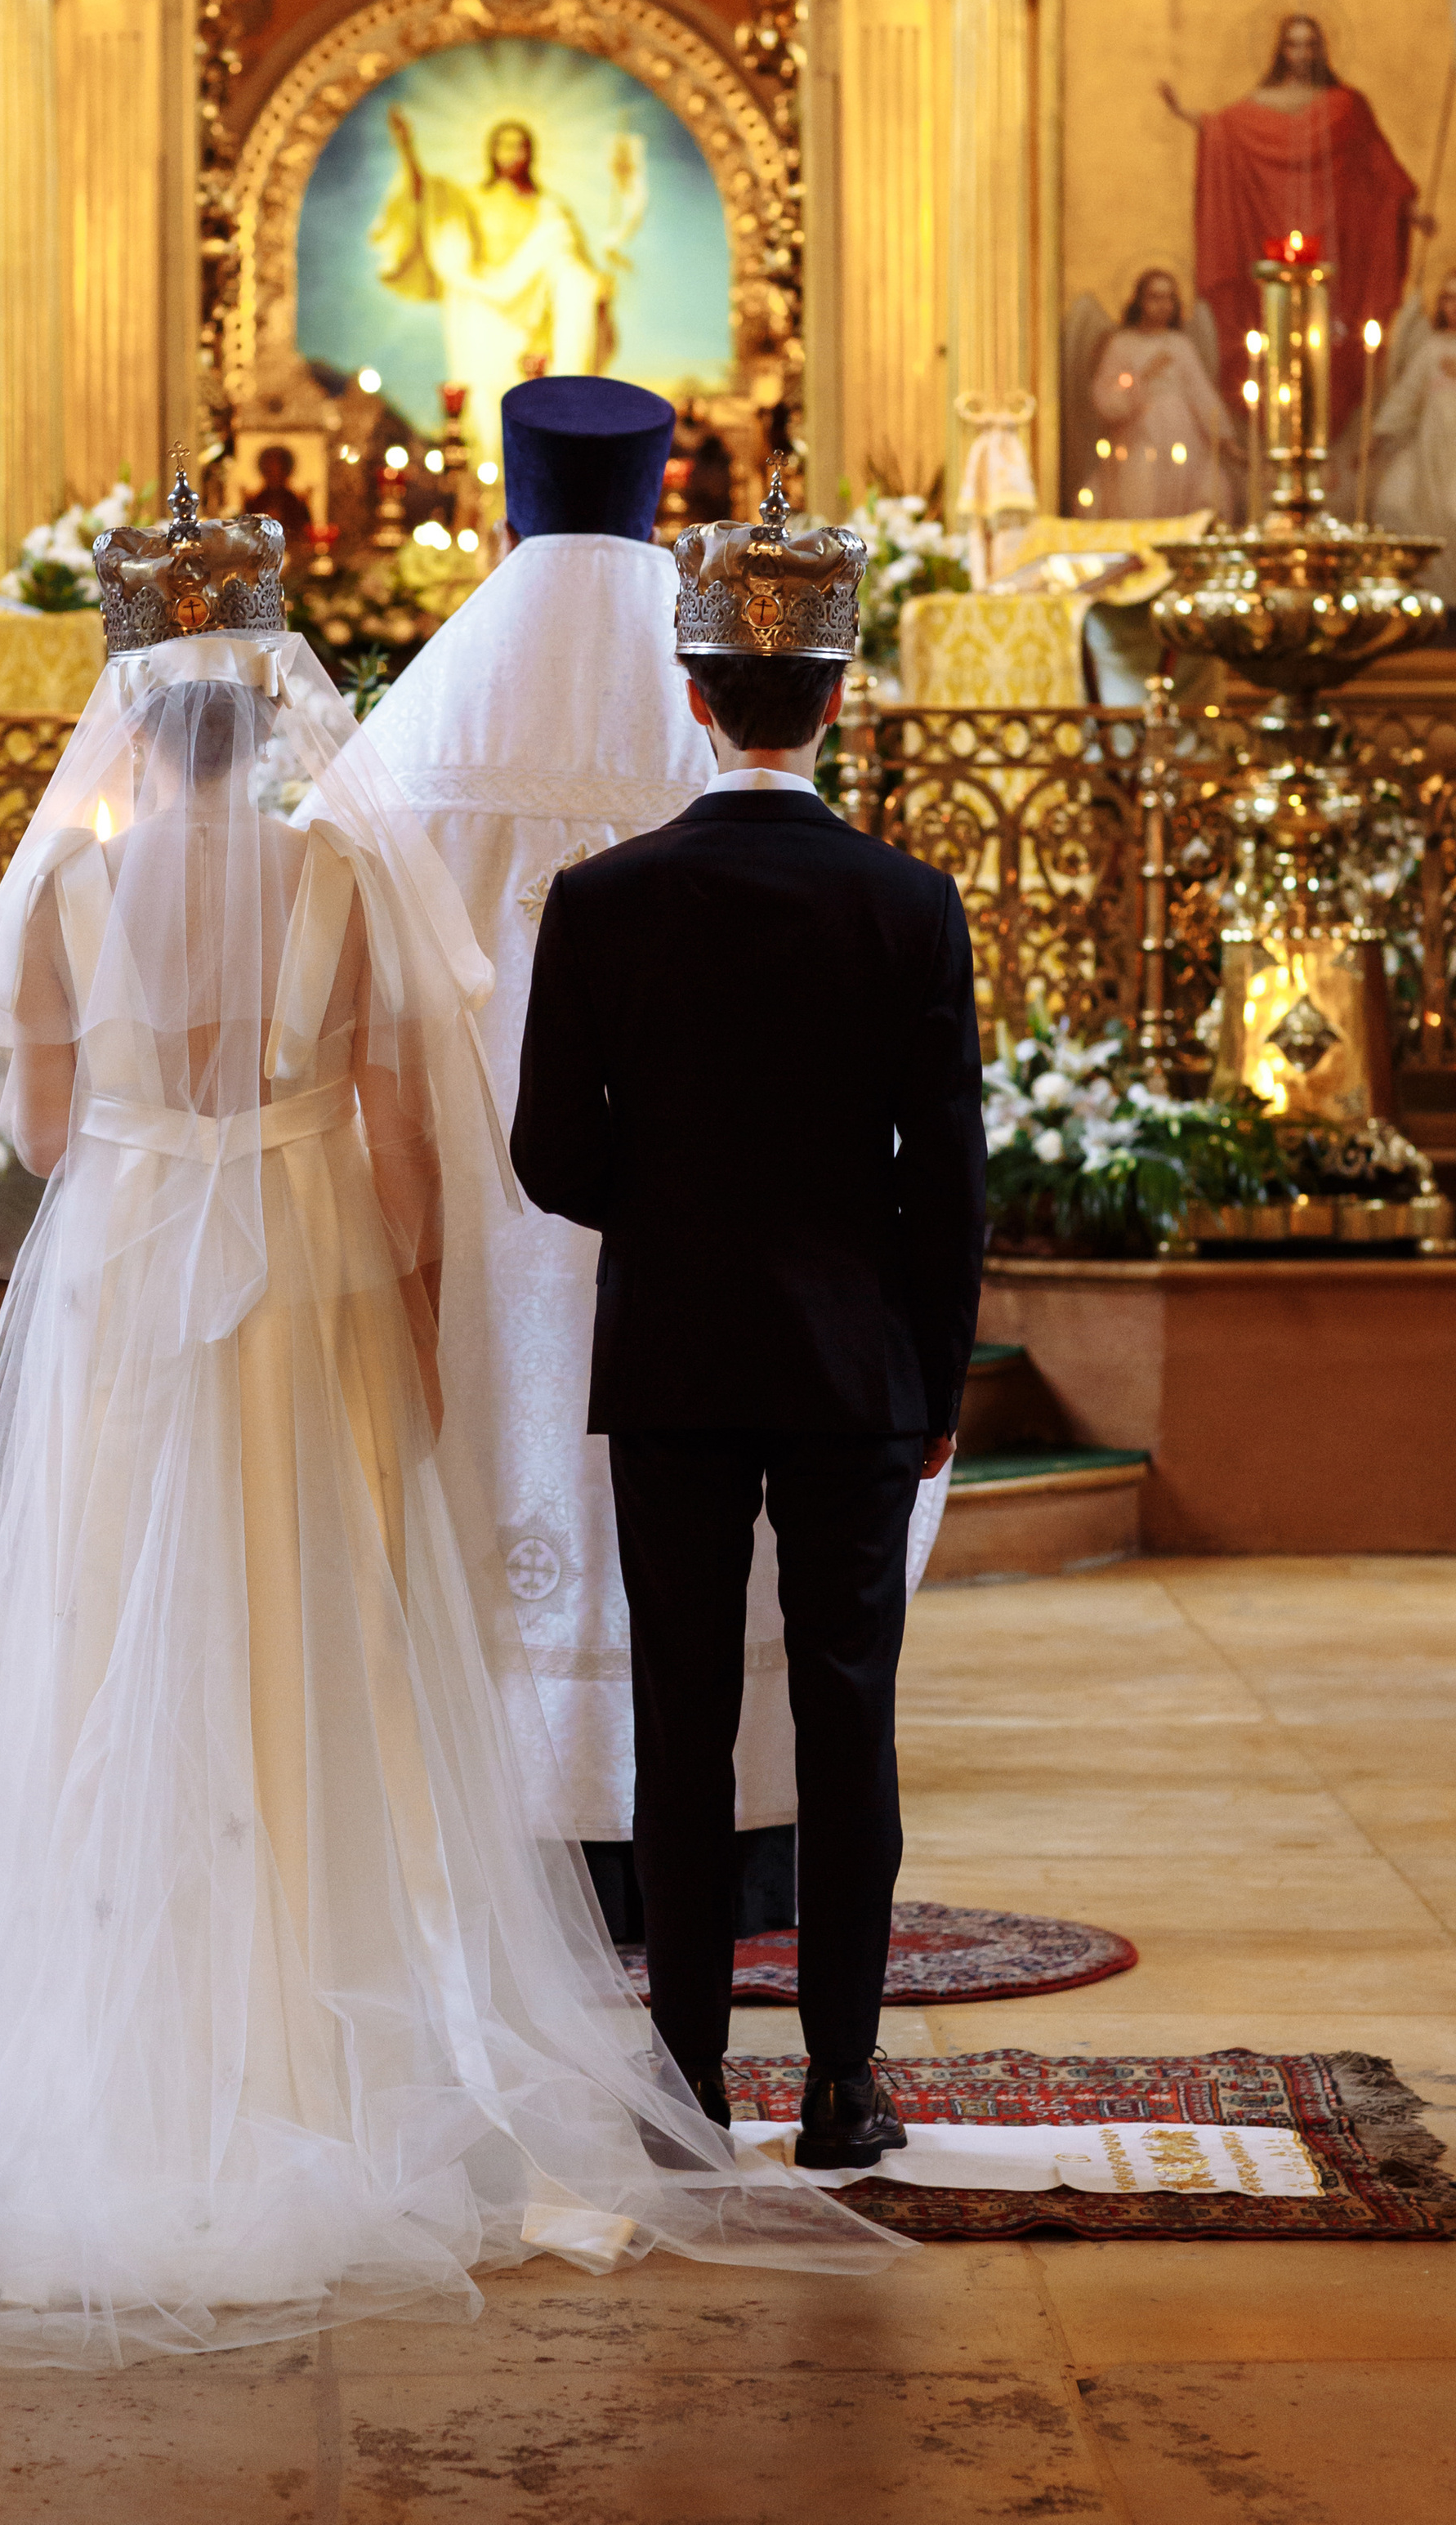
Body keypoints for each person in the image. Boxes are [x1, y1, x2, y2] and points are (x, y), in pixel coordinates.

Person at [0, 481, 895, 2362]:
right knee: (316, 1658)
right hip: (314, 1283)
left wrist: (148, 1213)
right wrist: (413, 1337)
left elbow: (48, 1140)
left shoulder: (76, 883)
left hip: (124, 1291)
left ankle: (126, 2037)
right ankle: (328, 2044)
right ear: (269, 700)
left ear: (132, 706)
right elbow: (414, 1155)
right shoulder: (342, 866)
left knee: (114, 1651)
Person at [511, 474, 986, 2165]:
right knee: (846, 1714)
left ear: (694, 696)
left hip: (675, 1358)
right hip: (858, 1363)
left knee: (682, 1716)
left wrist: (673, 1208)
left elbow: (550, 1159)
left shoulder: (604, 897)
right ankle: (847, 2087)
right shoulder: (908, 903)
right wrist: (931, 1373)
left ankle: (690, 2082)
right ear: (835, 695)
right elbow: (946, 1176)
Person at [360, 378, 801, 1929]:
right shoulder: (706, 689)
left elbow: (336, 950)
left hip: (481, 1184)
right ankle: (724, 1832)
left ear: (511, 487)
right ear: (660, 482)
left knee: (505, 1442)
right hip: (705, 1190)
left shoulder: (432, 706)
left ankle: (507, 1809)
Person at [1159, 13, 1423, 437]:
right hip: (1267, 232)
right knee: (1270, 328)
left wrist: (1410, 211)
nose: (1302, 54)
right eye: (1294, 45)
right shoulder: (1259, 105)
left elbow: (1376, 162)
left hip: (1337, 238)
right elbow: (1223, 129)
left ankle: (1323, 430)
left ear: (1323, 50)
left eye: (1310, 45)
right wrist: (1184, 114)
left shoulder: (1347, 106)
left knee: (1333, 333)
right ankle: (1276, 432)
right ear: (1281, 51)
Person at [372, 115, 645, 466]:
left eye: (521, 145)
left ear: (531, 153)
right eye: (504, 144)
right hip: (483, 314)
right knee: (486, 407)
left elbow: (571, 264)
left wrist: (594, 287)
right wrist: (407, 149)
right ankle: (488, 484)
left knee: (534, 411)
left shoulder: (550, 209)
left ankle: (540, 479)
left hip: (532, 321)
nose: (512, 153)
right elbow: (424, 198)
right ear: (491, 151)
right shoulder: (470, 199)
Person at [1371, 267, 1456, 616]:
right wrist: (1379, 436)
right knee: (1394, 501)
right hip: (1430, 452)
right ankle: (1424, 603)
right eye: (1448, 298)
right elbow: (1407, 396)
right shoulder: (1432, 348)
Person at [1084, 270, 1237, 521]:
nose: (1162, 305)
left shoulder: (1180, 345)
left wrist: (1224, 437)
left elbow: (1201, 393)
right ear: (1140, 301)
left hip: (1184, 438)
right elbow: (1107, 399)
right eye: (1154, 297)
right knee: (1139, 497)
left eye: (1168, 298)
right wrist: (1142, 377)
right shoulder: (1121, 344)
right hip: (1139, 438)